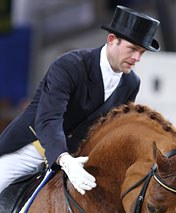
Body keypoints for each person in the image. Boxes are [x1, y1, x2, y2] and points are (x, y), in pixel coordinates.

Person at [0, 5, 160, 197]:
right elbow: (49, 119)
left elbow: (111, 129)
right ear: (111, 40)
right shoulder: (70, 65)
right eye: (132, 49)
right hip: (33, 149)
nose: (137, 58)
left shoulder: (131, 82)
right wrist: (64, 159)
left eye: (142, 52)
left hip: (79, 160)